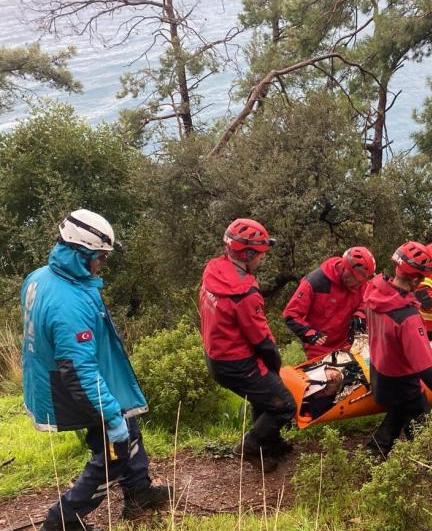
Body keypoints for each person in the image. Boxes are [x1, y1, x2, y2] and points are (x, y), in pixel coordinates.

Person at [21, 209, 169, 531]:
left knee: (129, 425)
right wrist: (111, 417)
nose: (102, 263)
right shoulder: (68, 302)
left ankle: (138, 492)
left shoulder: (40, 277)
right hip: (71, 386)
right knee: (114, 450)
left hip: (55, 377)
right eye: (100, 257)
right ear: (80, 254)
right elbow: (78, 370)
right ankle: (62, 520)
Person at [199, 218, 295, 472]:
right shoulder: (244, 293)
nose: (262, 258)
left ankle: (270, 444)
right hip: (237, 363)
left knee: (264, 396)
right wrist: (275, 363)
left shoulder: (214, 271)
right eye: (260, 254)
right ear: (248, 254)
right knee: (284, 405)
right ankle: (251, 446)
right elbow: (262, 339)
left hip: (216, 356)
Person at [364, 241, 432, 456]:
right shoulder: (408, 317)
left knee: (397, 417)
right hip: (404, 383)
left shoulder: (374, 293)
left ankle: (373, 453)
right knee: (423, 437)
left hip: (380, 374)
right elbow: (427, 370)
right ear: (415, 280)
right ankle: (427, 467)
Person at [283, 247, 375, 359]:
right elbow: (291, 314)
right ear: (345, 268)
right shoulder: (315, 282)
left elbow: (366, 301)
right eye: (355, 279)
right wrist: (308, 332)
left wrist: (360, 315)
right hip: (319, 348)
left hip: (348, 345)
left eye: (361, 281)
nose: (357, 285)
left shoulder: (361, 284)